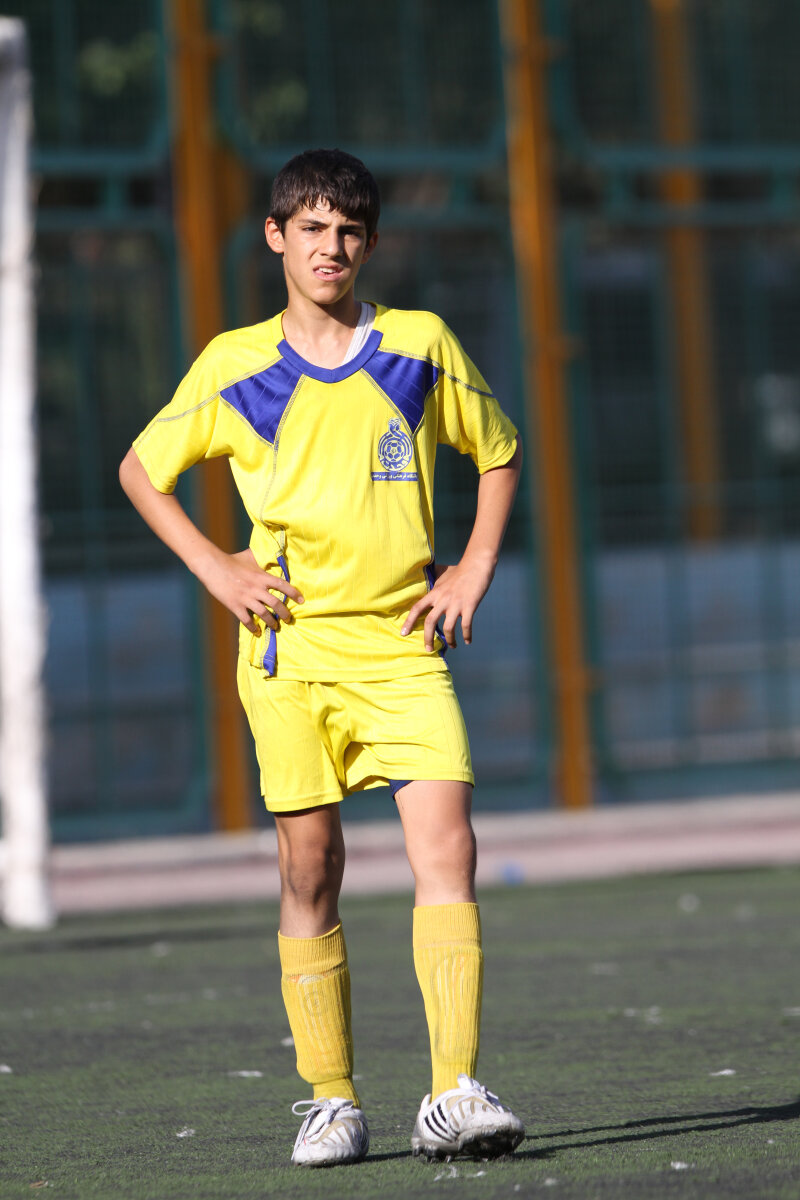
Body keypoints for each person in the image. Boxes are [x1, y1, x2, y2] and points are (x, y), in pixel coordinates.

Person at [119, 148, 525, 1167]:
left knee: (450, 848)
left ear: (370, 243)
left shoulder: (419, 345)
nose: (329, 247)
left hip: (402, 645)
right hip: (288, 654)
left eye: (347, 231)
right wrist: (217, 567)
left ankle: (453, 1091)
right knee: (311, 868)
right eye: (310, 228)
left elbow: (499, 450)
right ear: (275, 237)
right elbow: (140, 469)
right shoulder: (234, 363)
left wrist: (472, 568)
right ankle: (331, 1100)